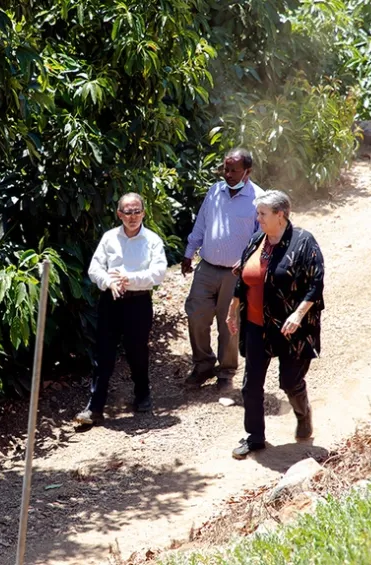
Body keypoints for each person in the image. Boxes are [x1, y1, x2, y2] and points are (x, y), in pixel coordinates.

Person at [226, 190, 325, 459]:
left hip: (292, 327)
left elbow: (316, 284)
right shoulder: (257, 240)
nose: (257, 219)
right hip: (257, 324)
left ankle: (303, 414)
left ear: (280, 215)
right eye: (258, 213)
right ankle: (254, 437)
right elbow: (245, 277)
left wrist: (298, 314)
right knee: (251, 384)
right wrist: (233, 308)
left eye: (262, 214)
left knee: (290, 382)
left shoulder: (304, 242)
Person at [75, 193, 167, 427]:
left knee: (137, 351)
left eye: (137, 211)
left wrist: (128, 278)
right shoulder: (109, 238)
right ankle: (95, 408)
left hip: (139, 303)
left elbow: (158, 274)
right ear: (119, 214)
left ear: (144, 213)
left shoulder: (152, 240)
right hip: (110, 301)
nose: (133, 216)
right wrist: (110, 282)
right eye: (127, 212)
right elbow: (95, 269)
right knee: (103, 354)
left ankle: (142, 395)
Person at [182, 148, 265, 390]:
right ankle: (203, 364)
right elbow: (201, 223)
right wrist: (189, 253)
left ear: (247, 172)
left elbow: (260, 239)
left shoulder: (258, 199)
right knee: (196, 315)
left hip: (235, 274)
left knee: (229, 323)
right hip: (206, 267)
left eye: (233, 170)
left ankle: (226, 372)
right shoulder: (214, 191)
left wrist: (247, 261)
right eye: (225, 169)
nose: (227, 174)